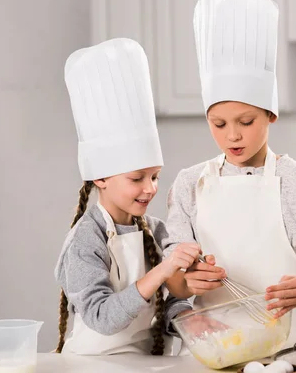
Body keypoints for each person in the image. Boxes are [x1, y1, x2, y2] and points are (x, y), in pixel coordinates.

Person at [164, 0, 296, 347]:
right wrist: (187, 281)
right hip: (212, 348)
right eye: (218, 124)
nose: (232, 136)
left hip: (289, 347)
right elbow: (174, 278)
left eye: (245, 122)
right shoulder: (189, 184)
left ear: (270, 115)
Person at [54, 38, 200, 355]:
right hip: (90, 366)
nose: (150, 188)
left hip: (145, 364)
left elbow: (172, 301)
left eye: (155, 176)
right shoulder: (85, 239)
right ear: (101, 178)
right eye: (137, 178)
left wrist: (193, 321)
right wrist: (161, 271)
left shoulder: (157, 231)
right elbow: (103, 318)